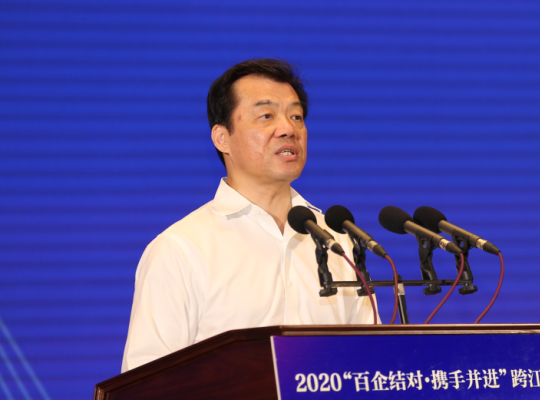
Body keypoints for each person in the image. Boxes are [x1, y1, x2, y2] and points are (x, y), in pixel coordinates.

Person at [121, 58, 375, 373]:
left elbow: (368, 362)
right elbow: (147, 383)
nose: (288, 129)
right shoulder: (181, 250)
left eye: (296, 116)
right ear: (222, 138)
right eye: (266, 116)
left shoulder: (337, 241)